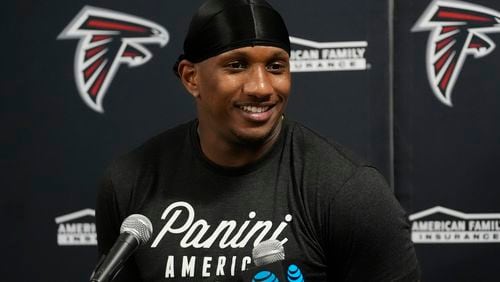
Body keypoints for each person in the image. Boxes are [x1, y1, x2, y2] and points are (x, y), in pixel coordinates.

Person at [96, 0, 420, 281]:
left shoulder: (350, 191)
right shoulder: (130, 181)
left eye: (276, 66)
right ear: (191, 77)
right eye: (236, 66)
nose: (262, 87)